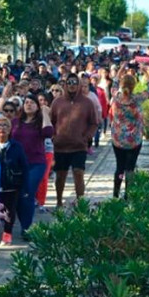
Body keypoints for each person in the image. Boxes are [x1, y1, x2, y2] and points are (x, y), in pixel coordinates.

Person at [50, 73, 98, 207]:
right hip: (60, 146)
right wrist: (54, 136)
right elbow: (51, 121)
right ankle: (59, 201)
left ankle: (80, 202)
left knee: (78, 173)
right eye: (69, 83)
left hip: (79, 146)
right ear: (65, 85)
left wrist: (87, 137)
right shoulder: (57, 102)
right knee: (60, 176)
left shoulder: (87, 102)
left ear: (79, 85)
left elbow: (94, 123)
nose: (72, 85)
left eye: (74, 83)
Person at [10, 94, 53, 237]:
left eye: (32, 103)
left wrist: (45, 113)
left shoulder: (40, 121)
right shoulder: (16, 122)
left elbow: (48, 132)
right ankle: (24, 224)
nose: (28, 105)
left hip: (36, 163)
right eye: (26, 102)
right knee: (18, 195)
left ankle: (26, 228)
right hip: (18, 164)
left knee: (28, 192)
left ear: (37, 106)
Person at [110, 65, 149, 199]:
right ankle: (128, 195)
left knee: (119, 167)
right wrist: (145, 72)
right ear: (134, 86)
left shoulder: (116, 97)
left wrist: (121, 70)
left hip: (118, 139)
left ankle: (116, 193)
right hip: (134, 140)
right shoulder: (137, 99)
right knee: (130, 168)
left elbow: (114, 83)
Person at [0, 117, 28, 247]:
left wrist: (25, 186)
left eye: (5, 126)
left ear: (10, 129)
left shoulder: (16, 146)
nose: (2, 128)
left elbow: (24, 166)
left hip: (11, 185)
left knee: (10, 210)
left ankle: (7, 233)